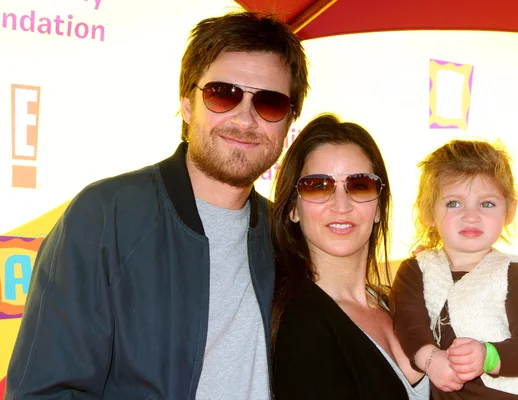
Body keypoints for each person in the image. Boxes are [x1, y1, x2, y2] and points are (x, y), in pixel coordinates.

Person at [5, 11, 309, 400]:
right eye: (223, 94)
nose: (245, 118)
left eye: (269, 103)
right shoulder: (104, 215)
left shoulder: (283, 236)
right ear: (186, 103)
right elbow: (44, 391)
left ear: (289, 121)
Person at [270, 113, 430, 399]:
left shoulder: (397, 303)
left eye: (359, 185)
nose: (341, 204)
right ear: (293, 208)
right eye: (318, 186)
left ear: (379, 207)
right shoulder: (302, 327)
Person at [390, 139, 518, 399]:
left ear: (509, 211)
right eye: (453, 203)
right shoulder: (415, 271)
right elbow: (408, 323)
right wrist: (431, 359)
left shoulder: (513, 274)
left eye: (486, 204)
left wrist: (488, 356)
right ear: (427, 212)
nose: (471, 215)